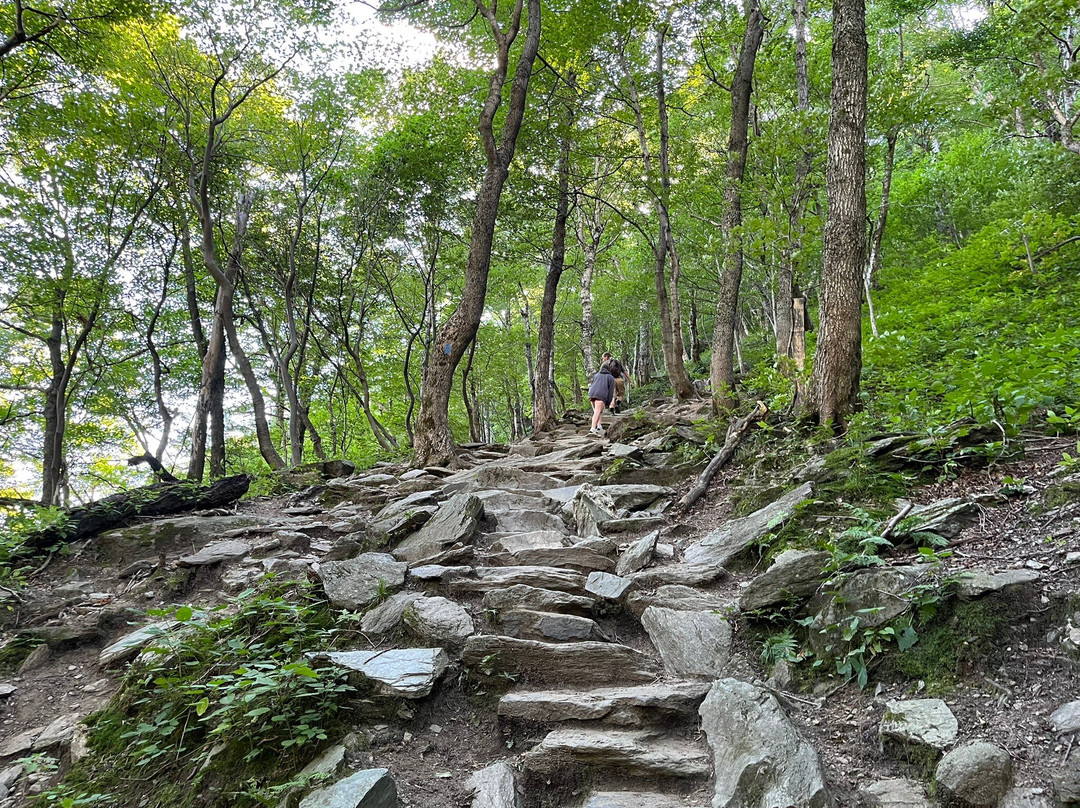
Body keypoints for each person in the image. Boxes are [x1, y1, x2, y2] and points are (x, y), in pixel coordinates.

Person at [586, 359, 616, 436]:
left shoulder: (596, 375)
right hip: (601, 395)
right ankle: (593, 428)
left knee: (599, 411)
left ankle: (599, 426)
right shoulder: (610, 377)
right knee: (597, 412)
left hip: (592, 394)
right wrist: (608, 403)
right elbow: (610, 392)